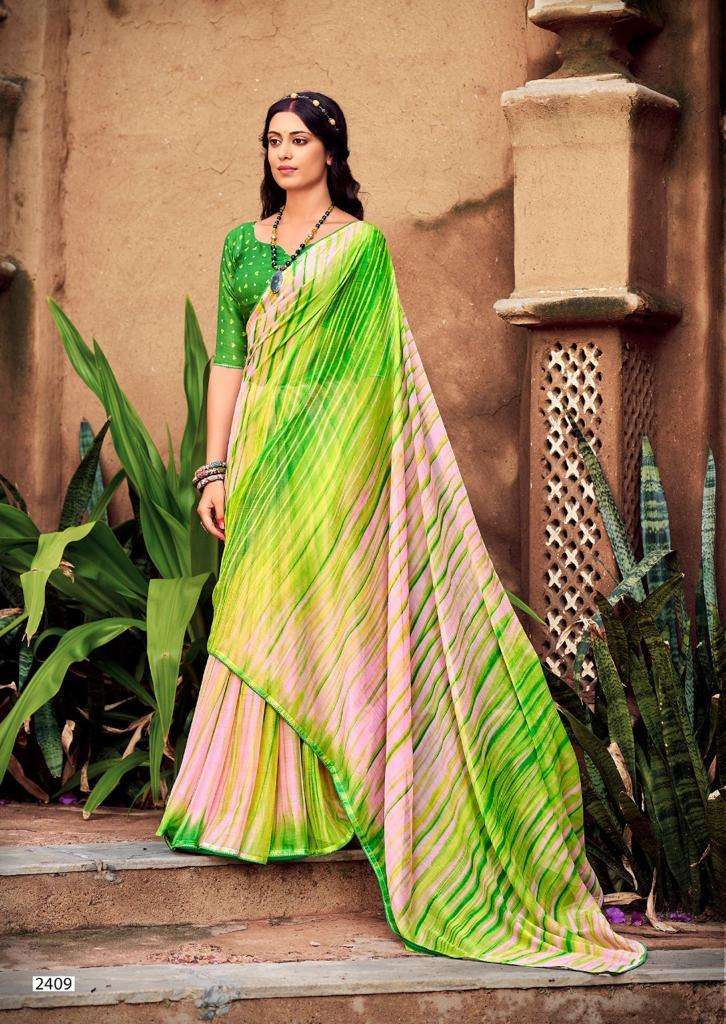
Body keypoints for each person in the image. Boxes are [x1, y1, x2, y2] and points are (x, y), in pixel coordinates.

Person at [155, 90, 647, 975]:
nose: (283, 153)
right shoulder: (240, 244)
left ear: (331, 151)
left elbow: (373, 371)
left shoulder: (359, 246)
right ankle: (247, 807)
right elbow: (230, 358)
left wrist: (345, 469)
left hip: (331, 455)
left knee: (320, 616)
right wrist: (214, 466)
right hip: (260, 451)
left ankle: (331, 799)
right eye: (272, 141)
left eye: (299, 140)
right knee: (254, 610)